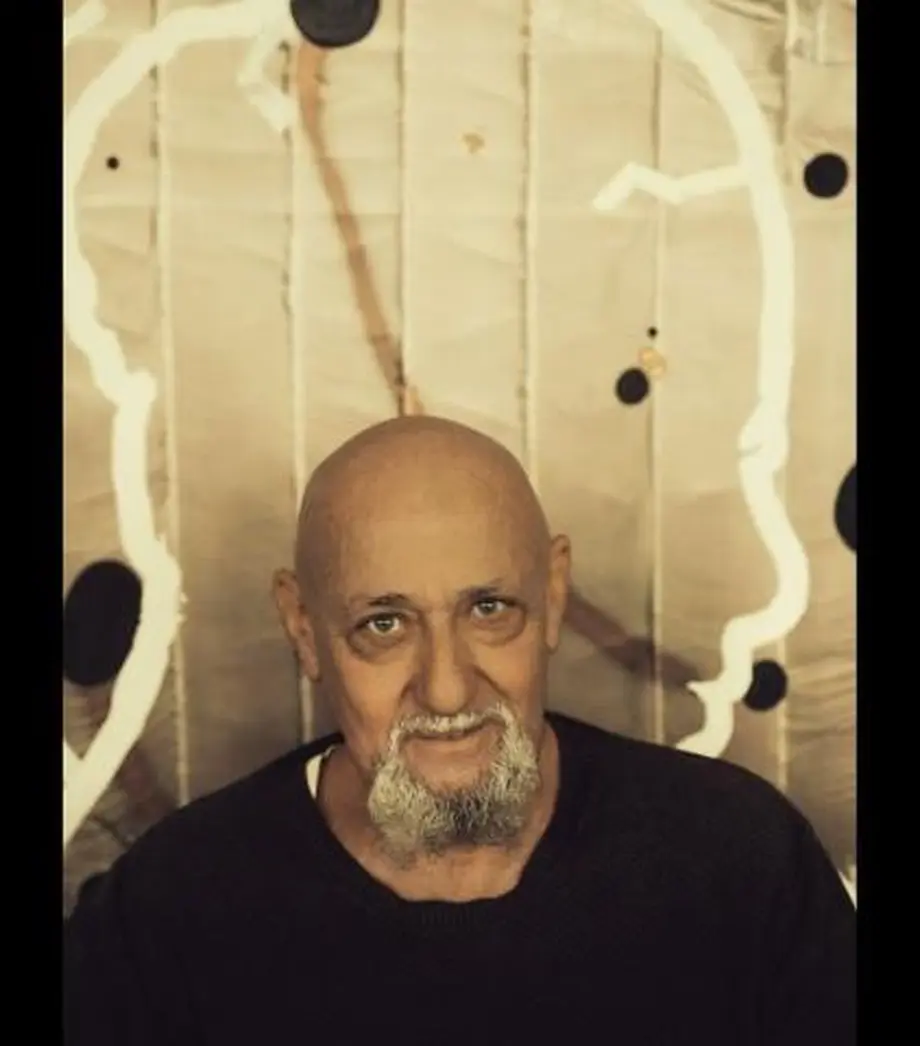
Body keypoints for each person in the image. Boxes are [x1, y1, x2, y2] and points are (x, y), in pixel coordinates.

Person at [64, 416, 856, 1044]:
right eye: (383, 624)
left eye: (489, 609)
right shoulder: (169, 914)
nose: (446, 687)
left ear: (553, 593)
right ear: (302, 628)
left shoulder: (741, 865)